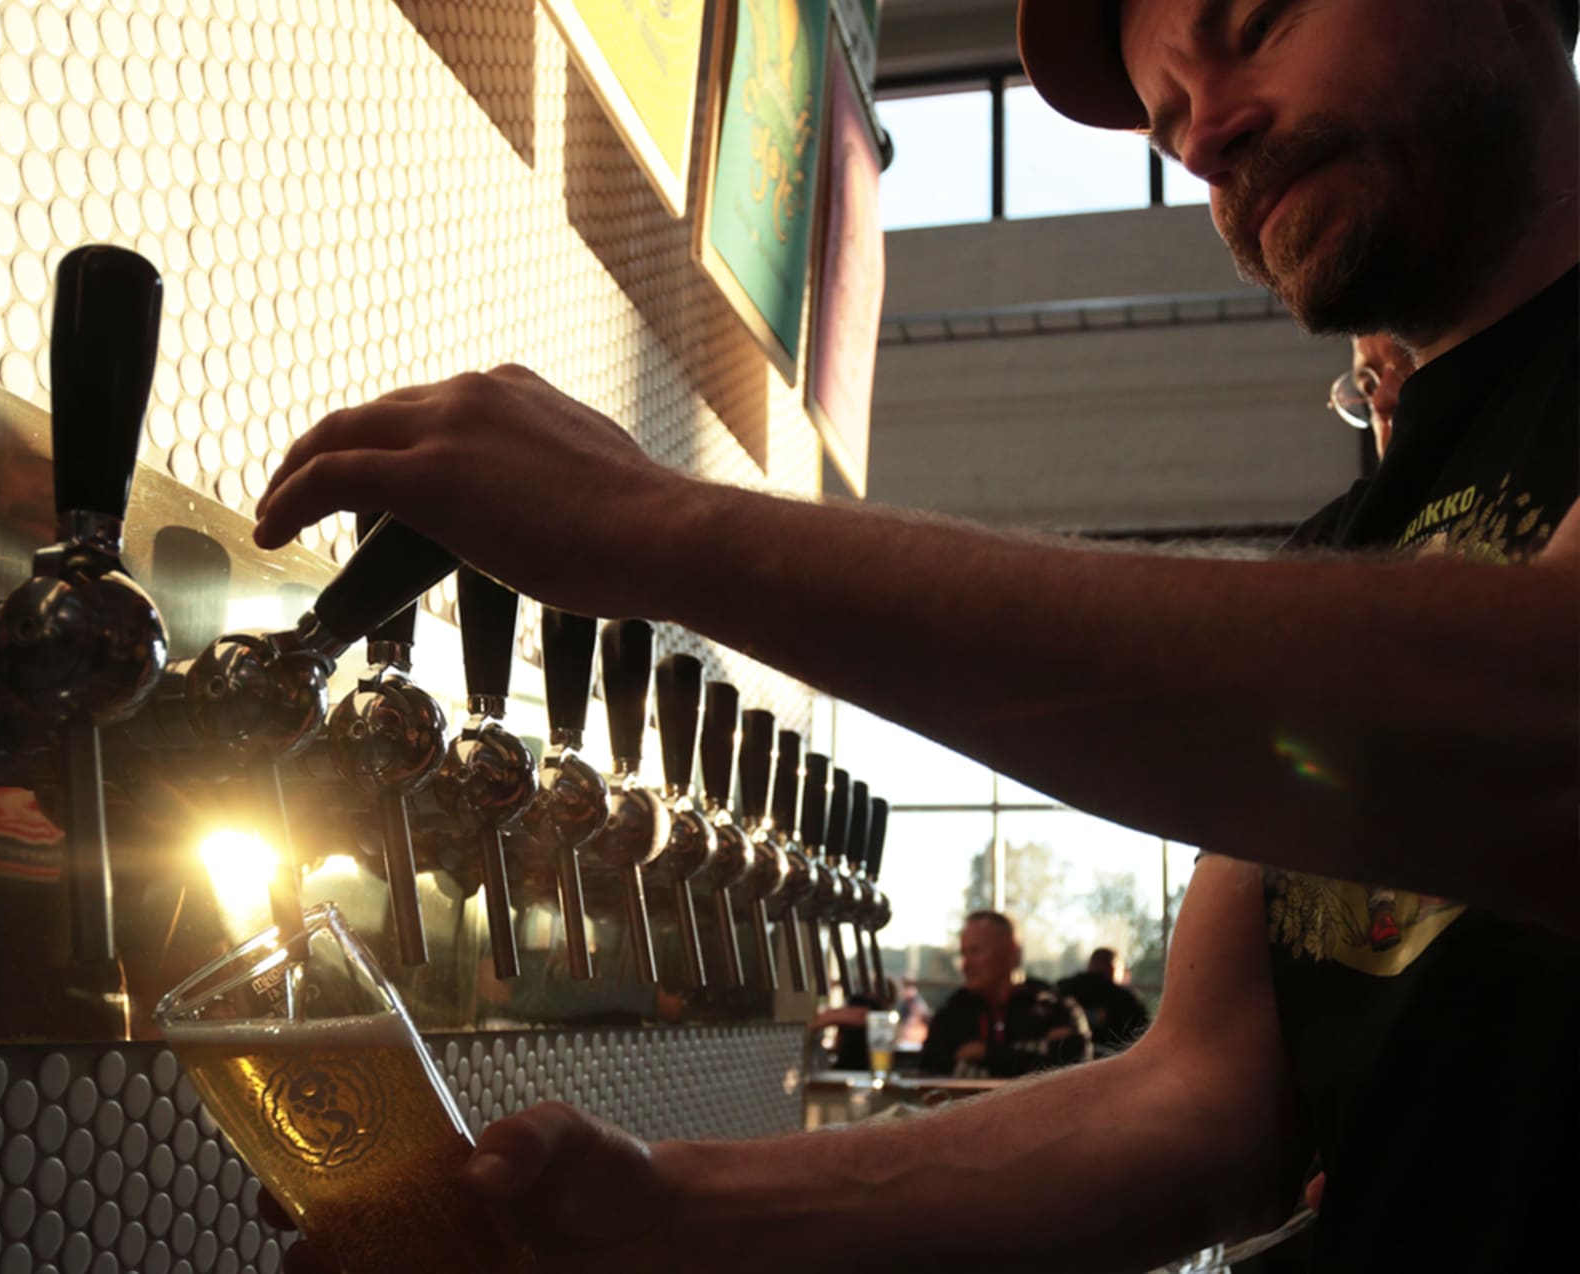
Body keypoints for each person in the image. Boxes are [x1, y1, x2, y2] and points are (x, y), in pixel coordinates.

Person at [256, 0, 1578, 1267]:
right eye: (1171, 116)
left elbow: (1535, 725)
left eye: (1258, 22)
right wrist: (664, 1217)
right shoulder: (1355, 549)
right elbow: (1195, 1108)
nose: (1207, 134)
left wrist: (657, 528)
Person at [919, 912, 1091, 1077]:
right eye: (964, 953)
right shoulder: (953, 1012)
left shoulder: (1054, 1008)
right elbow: (930, 1066)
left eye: (976, 951)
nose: (965, 965)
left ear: (1011, 952)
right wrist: (1024, 1058)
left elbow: (1071, 1073)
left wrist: (986, 1052)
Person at [1056, 947, 1152, 1055]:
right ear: (1113, 968)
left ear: (1089, 966)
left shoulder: (1061, 990)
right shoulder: (1128, 1001)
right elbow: (1144, 1043)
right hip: (1113, 1066)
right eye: (1122, 969)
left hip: (1064, 1063)